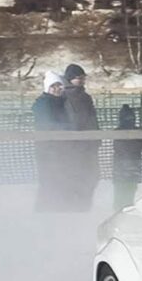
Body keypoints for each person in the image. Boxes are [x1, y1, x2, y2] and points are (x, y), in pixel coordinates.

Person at [32, 71, 73, 211]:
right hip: (48, 150)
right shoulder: (44, 103)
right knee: (49, 181)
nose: (57, 89)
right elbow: (47, 124)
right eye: (53, 86)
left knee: (60, 180)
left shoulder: (62, 103)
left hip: (60, 149)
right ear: (47, 88)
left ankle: (58, 208)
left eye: (59, 86)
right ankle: (46, 210)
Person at [62, 63, 101, 211]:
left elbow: (92, 117)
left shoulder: (85, 97)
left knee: (91, 176)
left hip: (88, 144)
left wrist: (96, 136)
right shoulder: (64, 97)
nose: (82, 80)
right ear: (70, 79)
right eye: (78, 78)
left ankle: (84, 206)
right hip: (74, 146)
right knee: (76, 176)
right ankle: (75, 207)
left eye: (83, 78)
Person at [112, 104, 142, 211]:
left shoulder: (117, 132)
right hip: (131, 168)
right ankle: (124, 214)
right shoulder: (137, 132)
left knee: (120, 194)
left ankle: (118, 214)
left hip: (120, 168)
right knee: (127, 194)